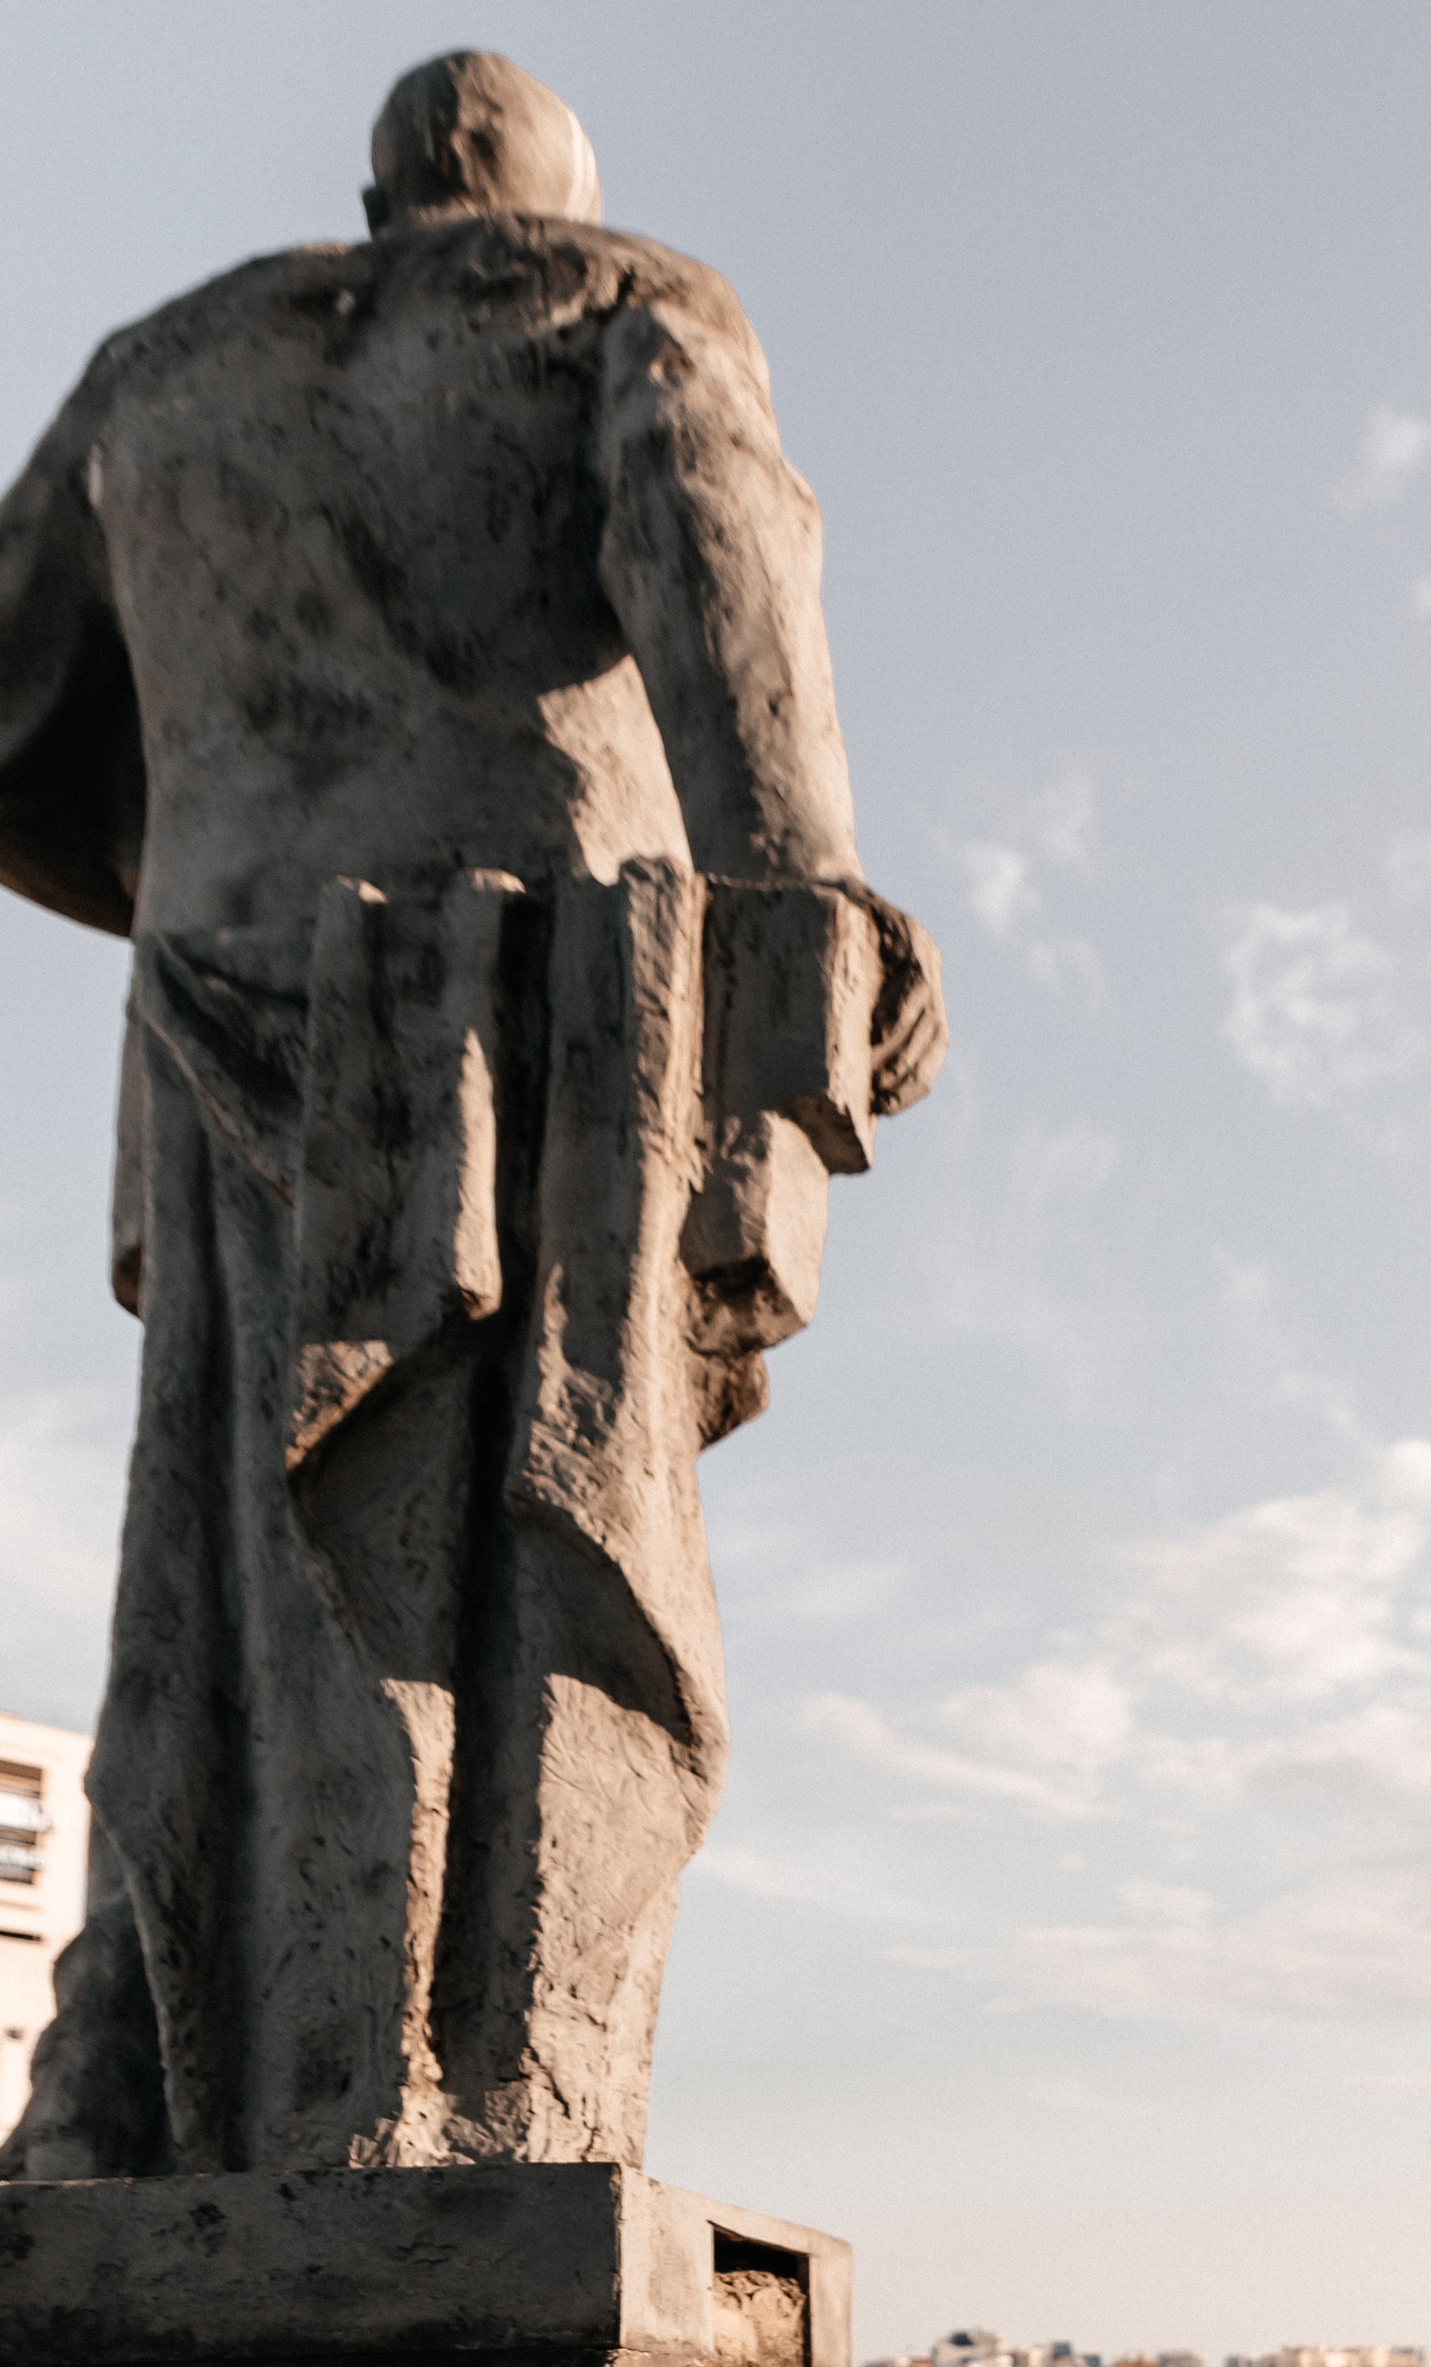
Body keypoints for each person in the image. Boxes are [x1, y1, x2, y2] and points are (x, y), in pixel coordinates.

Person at [0, 52, 943, 2179]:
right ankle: (455, 2108)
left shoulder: (151, 380)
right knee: (512, 1557)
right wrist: (811, 912)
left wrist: (201, 859)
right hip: (515, 1008)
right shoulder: (617, 302)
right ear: (538, 185)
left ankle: (127, 2107)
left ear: (375, 189)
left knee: (220, 1584)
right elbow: (721, 571)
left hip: (223, 997)